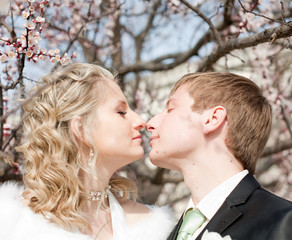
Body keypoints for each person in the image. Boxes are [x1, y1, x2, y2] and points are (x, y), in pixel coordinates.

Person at [0, 63, 174, 240]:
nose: (140, 121)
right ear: (81, 129)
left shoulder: (151, 225)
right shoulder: (15, 223)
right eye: (121, 112)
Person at [146, 72, 292, 240]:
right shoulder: (168, 233)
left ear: (213, 119)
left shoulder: (283, 222)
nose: (150, 124)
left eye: (170, 109)